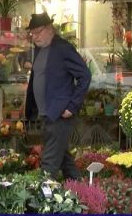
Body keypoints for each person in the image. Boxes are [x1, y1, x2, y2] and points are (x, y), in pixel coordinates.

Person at [24, 13, 91, 180]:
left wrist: (72, 106)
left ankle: (42, 201)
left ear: (49, 29)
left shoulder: (63, 48)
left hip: (60, 114)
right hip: (47, 114)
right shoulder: (40, 50)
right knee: (64, 159)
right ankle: (81, 192)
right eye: (32, 33)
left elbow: (85, 75)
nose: (34, 36)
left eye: (38, 32)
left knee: (49, 163)